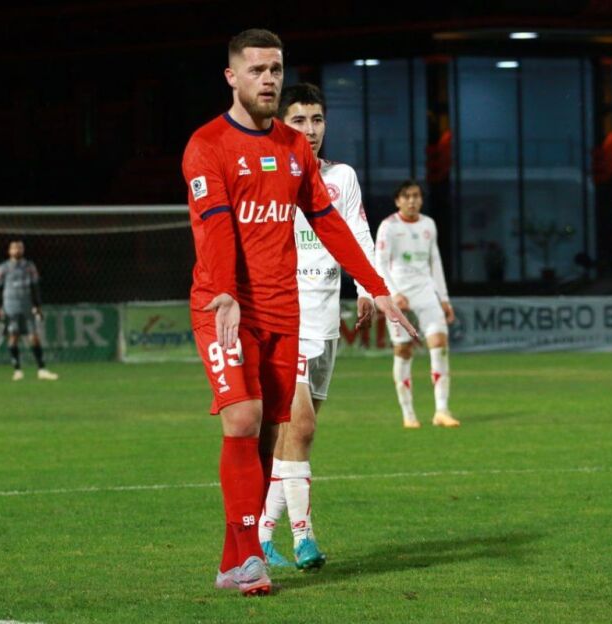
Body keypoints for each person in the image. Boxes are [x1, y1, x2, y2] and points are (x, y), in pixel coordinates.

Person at [182, 29, 416, 596]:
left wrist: (376, 286)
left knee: (268, 437)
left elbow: (329, 222)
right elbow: (215, 227)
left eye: (276, 69)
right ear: (232, 77)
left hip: (283, 310)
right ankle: (250, 560)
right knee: (243, 418)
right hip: (225, 307)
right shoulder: (207, 144)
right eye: (257, 69)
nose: (268, 79)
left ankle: (233, 560)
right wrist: (226, 291)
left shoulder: (292, 149)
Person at [257, 83, 376, 572]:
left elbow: (357, 232)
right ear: (281, 124)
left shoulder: (341, 177)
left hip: (326, 320)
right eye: (299, 120)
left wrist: (367, 287)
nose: (310, 129)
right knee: (301, 427)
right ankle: (304, 536)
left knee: (295, 437)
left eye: (317, 119)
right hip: (286, 317)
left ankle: (263, 536)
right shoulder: (268, 177)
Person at [375, 181, 459, 429]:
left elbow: (435, 262)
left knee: (439, 343)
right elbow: (380, 263)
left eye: (416, 196)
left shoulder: (428, 224)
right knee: (403, 350)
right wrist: (393, 293)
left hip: (425, 292)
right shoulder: (389, 226)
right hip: (399, 293)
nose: (412, 200)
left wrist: (443, 298)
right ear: (397, 201)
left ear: (421, 199)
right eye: (406, 196)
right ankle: (408, 414)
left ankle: (441, 410)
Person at [0, 240, 58, 381]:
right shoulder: (3, 267)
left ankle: (41, 369)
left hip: (27, 305)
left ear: (23, 250)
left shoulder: (29, 266)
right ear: (9, 251)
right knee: (13, 336)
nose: (17, 250)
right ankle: (17, 370)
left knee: (33, 336)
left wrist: (37, 305)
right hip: (10, 306)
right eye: (14, 248)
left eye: (20, 248)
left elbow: (35, 286)